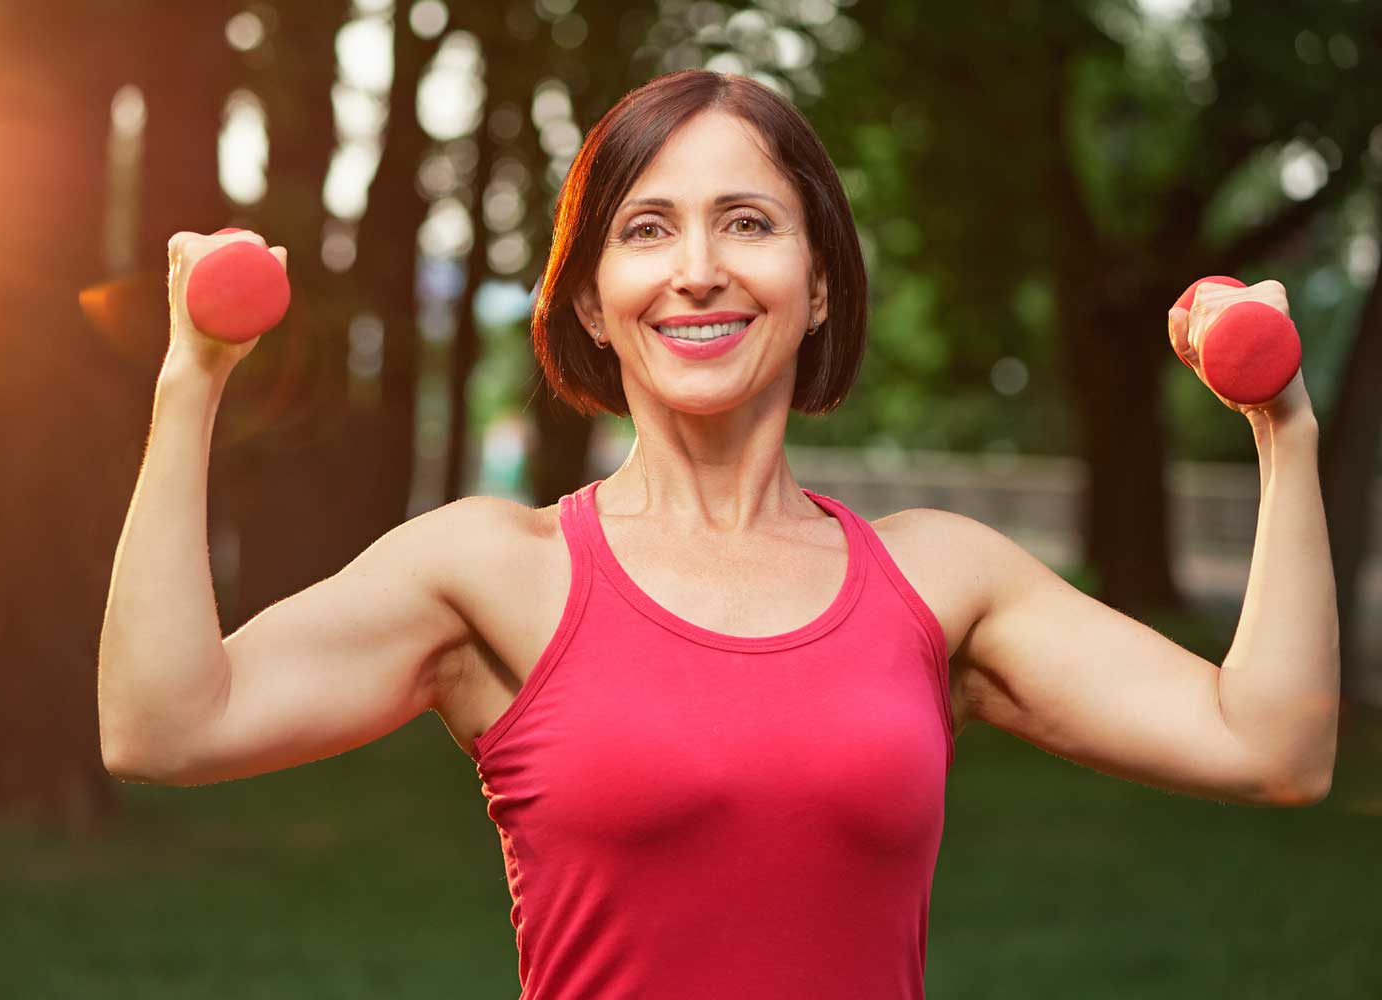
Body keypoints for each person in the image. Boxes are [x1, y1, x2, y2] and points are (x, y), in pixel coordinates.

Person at [98, 69, 1340, 999]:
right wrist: (191, 375)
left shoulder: (938, 578)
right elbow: (163, 723)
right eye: (646, 229)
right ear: (591, 299)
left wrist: (1283, 431)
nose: (697, 268)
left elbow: (1270, 744)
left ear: (817, 285)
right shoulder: (492, 571)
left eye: (748, 223)